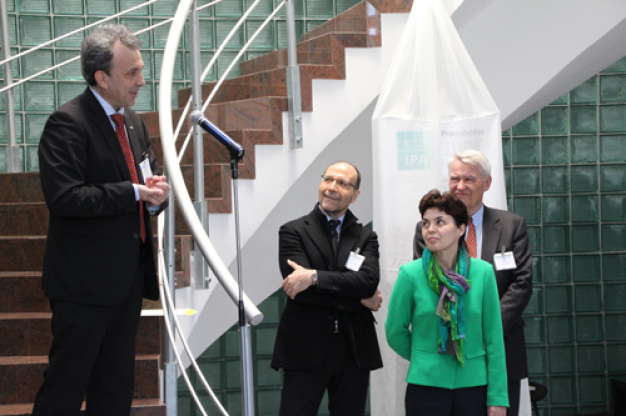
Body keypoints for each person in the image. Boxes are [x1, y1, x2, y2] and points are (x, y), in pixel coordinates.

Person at [32, 24, 170, 415]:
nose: (142, 81)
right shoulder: (67, 123)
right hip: (82, 286)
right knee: (66, 386)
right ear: (101, 77)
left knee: (115, 387)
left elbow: (145, 182)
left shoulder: (134, 123)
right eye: (132, 73)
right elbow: (65, 198)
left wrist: (155, 196)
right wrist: (133, 192)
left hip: (126, 282)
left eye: (141, 70)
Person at [413, 149, 533, 416]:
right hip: (448, 352)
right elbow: (427, 283)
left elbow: (522, 283)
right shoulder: (429, 229)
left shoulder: (511, 225)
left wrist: (486, 328)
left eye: (469, 179)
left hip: (502, 345)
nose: (460, 186)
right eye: (455, 179)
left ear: (487, 183)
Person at [271, 161, 383, 416]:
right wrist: (358, 300)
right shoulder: (293, 231)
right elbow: (298, 289)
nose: (332, 187)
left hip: (353, 349)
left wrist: (313, 277)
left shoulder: (366, 236)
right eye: (328, 179)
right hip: (304, 348)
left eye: (343, 183)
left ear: (355, 195)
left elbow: (367, 282)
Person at [387, 190, 508, 415]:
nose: (430, 229)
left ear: (461, 229)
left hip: (474, 385)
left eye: (440, 222)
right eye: (426, 223)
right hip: (426, 385)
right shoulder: (410, 274)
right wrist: (425, 357)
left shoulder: (483, 273)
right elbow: (395, 331)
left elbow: (494, 339)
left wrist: (498, 397)